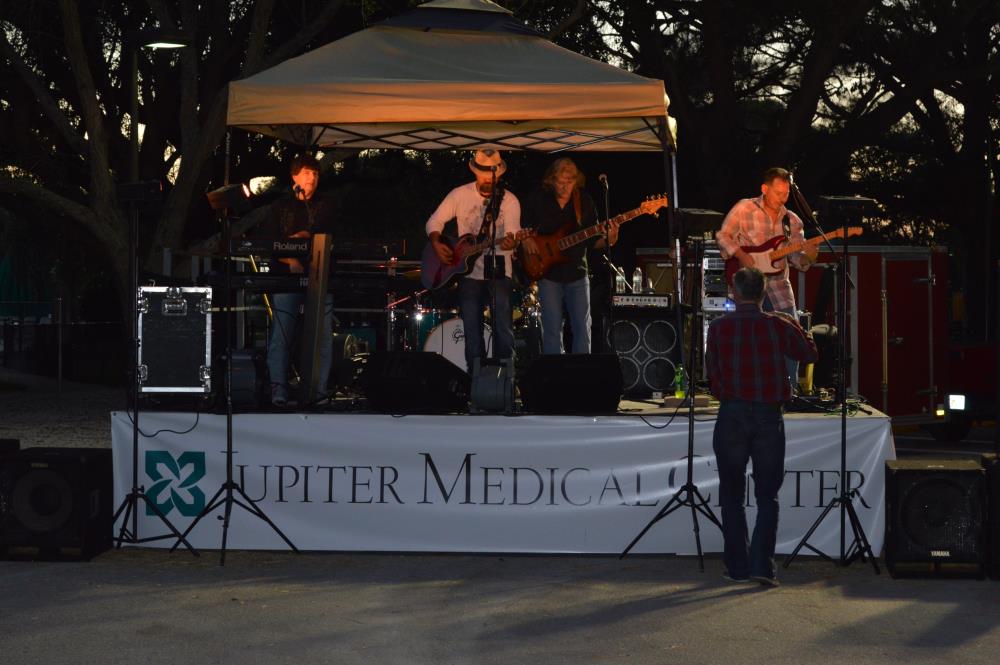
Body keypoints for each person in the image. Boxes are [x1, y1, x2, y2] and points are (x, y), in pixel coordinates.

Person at [705, 267, 818, 586]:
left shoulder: (718, 328)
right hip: (769, 416)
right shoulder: (779, 324)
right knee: (767, 496)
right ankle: (761, 566)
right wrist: (797, 325)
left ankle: (737, 567)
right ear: (763, 292)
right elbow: (809, 353)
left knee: (731, 494)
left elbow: (712, 375)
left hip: (732, 415)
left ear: (735, 291)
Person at [716, 167, 817, 387]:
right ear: (764, 189)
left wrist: (809, 257)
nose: (783, 198)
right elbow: (722, 236)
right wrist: (741, 255)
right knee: (745, 336)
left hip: (779, 284)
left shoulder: (793, 221)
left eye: (786, 193)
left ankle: (788, 388)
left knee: (791, 333)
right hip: (748, 284)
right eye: (778, 192)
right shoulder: (744, 208)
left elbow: (798, 260)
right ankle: (739, 385)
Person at [425, 149, 521, 373]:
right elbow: (434, 221)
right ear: (475, 171)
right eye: (482, 173)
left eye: (490, 174)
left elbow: (514, 234)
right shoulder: (459, 194)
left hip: (499, 269)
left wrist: (512, 242)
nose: (487, 178)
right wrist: (437, 243)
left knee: (503, 327)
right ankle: (475, 379)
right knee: (471, 329)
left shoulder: (509, 200)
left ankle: (505, 378)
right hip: (467, 272)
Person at [520, 158, 618, 354]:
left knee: (583, 328)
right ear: (551, 180)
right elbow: (523, 228)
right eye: (560, 182)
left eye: (569, 182)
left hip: (578, 273)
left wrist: (611, 238)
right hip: (548, 274)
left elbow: (595, 243)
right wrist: (526, 240)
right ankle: (554, 377)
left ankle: (580, 377)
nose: (564, 187)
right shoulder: (538, 199)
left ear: (576, 181)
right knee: (552, 329)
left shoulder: (585, 201)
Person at [261, 154, 334, 406]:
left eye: (315, 173)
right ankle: (278, 389)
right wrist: (289, 259)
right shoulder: (280, 207)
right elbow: (269, 243)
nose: (312, 178)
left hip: (320, 277)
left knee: (322, 336)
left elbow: (326, 238)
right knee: (282, 334)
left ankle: (319, 391)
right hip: (285, 279)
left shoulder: (325, 205)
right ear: (294, 177)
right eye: (306, 173)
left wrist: (303, 237)